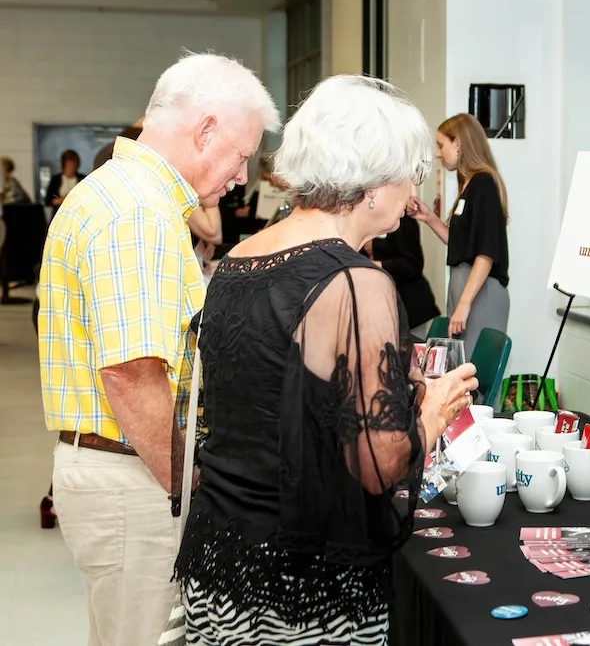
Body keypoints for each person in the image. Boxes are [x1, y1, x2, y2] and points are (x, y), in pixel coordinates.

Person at [172, 75, 478, 645]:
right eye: (409, 174)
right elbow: (378, 465)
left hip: (221, 562)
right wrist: (434, 410)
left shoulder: (242, 256)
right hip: (302, 584)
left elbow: (268, 388)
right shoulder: (357, 281)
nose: (412, 193)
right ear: (371, 182)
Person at [38, 51, 279, 646]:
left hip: (123, 472)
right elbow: (132, 375)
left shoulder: (132, 198)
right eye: (243, 154)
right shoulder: (137, 213)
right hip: (133, 480)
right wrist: (191, 490)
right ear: (205, 130)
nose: (243, 176)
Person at [408, 113, 509, 355]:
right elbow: (461, 245)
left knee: (473, 372)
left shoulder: (484, 183)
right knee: (458, 366)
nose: (437, 153)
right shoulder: (469, 184)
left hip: (480, 292)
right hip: (464, 286)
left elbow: (486, 253)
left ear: (459, 143)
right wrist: (429, 218)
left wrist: (464, 304)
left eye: (441, 145)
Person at [363, 213, 440, 338]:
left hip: (408, 304)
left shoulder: (403, 219)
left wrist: (378, 264)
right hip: (375, 306)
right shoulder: (362, 218)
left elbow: (413, 265)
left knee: (410, 354)